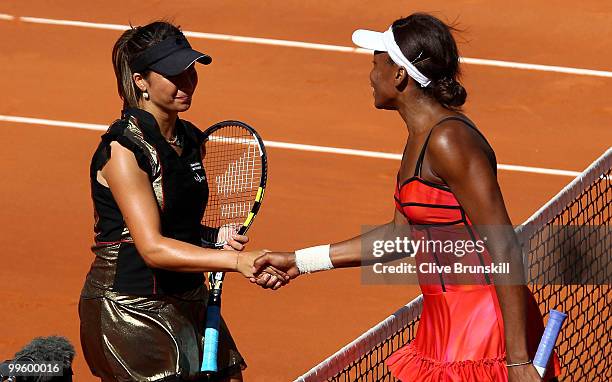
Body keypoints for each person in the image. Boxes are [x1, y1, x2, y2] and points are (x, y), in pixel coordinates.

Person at [252, 13, 561, 382]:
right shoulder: (421, 137)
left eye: (375, 63)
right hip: (443, 325)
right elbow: (401, 234)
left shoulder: (449, 142)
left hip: (483, 328)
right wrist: (300, 261)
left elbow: (504, 245)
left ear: (398, 74)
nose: (370, 74)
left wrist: (516, 360)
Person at [79, 21, 283, 382]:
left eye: (190, 70)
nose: (186, 82)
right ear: (141, 81)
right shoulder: (124, 152)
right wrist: (235, 260)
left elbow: (175, 226)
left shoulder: (190, 138)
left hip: (187, 295)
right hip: (132, 309)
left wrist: (213, 237)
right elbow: (153, 247)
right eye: (174, 74)